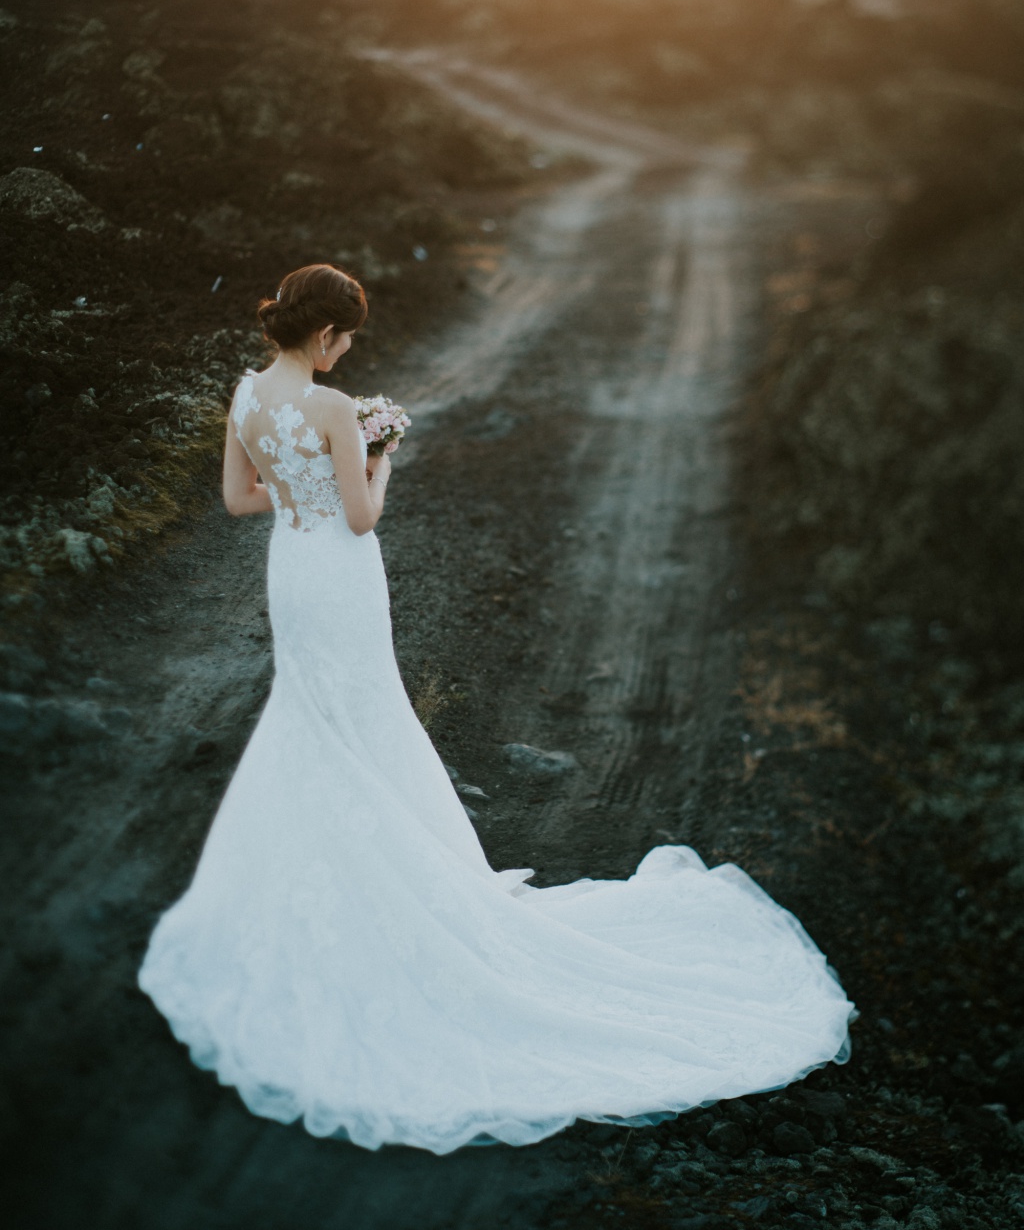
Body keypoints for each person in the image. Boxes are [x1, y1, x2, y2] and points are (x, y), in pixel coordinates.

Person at [139, 262, 855, 1155]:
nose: (351, 349)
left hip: (292, 572)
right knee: (369, 715)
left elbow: (238, 499)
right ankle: (401, 887)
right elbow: (361, 522)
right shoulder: (334, 409)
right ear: (327, 337)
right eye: (349, 336)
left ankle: (311, 889)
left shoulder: (246, 394)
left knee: (311, 718)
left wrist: (305, 492)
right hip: (342, 576)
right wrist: (379, 460)